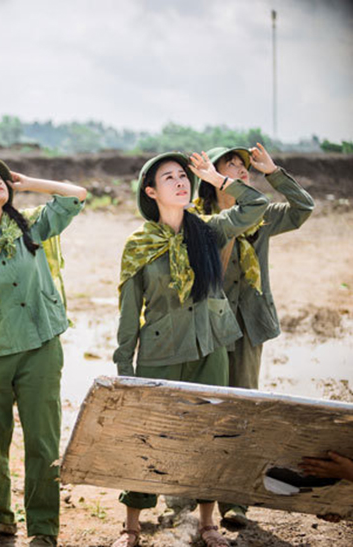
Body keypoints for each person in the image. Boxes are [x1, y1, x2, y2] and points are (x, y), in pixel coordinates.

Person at [112, 151, 270, 547]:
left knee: (210, 437)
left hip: (209, 350)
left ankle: (206, 523)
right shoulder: (138, 244)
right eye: (170, 178)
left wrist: (217, 179)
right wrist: (124, 367)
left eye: (184, 176)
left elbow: (256, 203)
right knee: (150, 439)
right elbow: (129, 313)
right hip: (159, 355)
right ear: (150, 191)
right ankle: (131, 527)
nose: (181, 182)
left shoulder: (210, 230)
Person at [0, 158, 87, 547]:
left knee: (42, 441)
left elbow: (76, 196)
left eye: (0, 177)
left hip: (42, 347)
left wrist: (30, 183)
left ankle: (43, 529)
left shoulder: (31, 226)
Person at [190, 143, 314, 527]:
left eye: (244, 167)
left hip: (247, 325)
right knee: (206, 408)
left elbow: (303, 208)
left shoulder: (262, 216)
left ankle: (235, 501)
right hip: (206, 326)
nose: (241, 171)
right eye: (230, 165)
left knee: (242, 409)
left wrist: (273, 172)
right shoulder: (196, 220)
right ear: (211, 176)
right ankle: (194, 488)